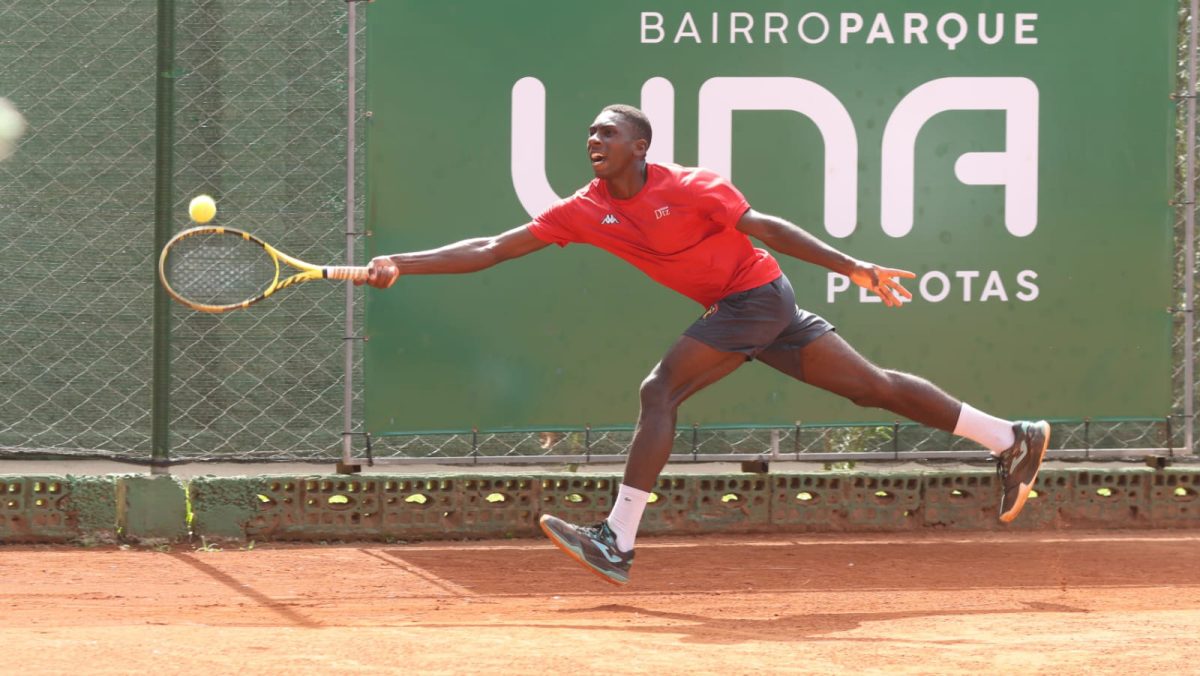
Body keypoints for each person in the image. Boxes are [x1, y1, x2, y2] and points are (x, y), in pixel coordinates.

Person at [360, 104, 1050, 586]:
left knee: (659, 391)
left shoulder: (688, 186)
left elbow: (768, 227)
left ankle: (616, 540)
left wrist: (855, 268)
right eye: (590, 135)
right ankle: (1010, 436)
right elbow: (490, 247)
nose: (593, 142)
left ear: (640, 146)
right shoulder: (585, 207)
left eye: (608, 134)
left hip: (759, 296)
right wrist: (401, 262)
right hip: (745, 305)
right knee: (872, 386)